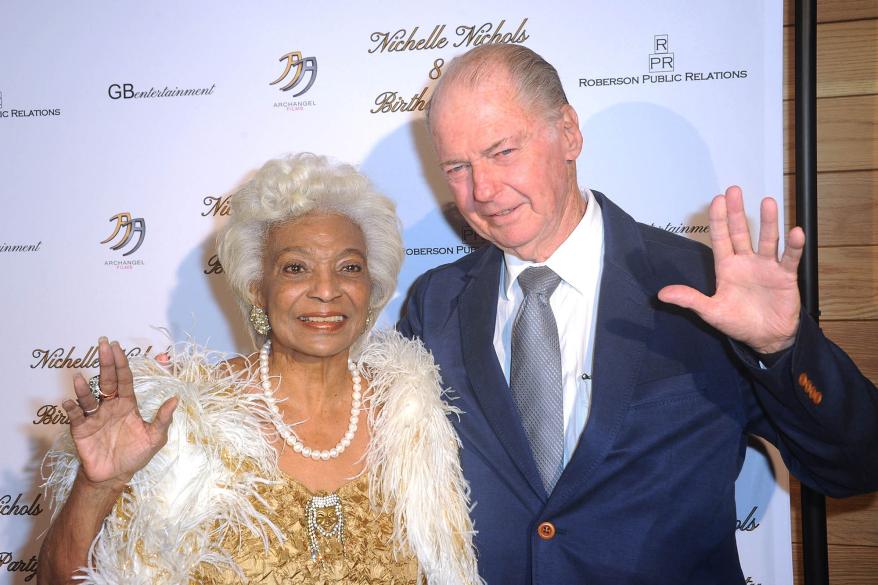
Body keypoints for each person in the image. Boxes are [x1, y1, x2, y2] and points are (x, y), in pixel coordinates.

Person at [398, 43, 878, 584]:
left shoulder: (705, 286)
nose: (481, 190)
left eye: (503, 151)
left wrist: (782, 351)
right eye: (457, 167)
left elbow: (857, 463)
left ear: (569, 134)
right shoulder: (434, 304)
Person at [39, 154, 481, 585]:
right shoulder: (187, 423)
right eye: (296, 268)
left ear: (371, 288)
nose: (326, 290)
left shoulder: (413, 424)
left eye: (348, 267)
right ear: (258, 290)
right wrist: (101, 486)